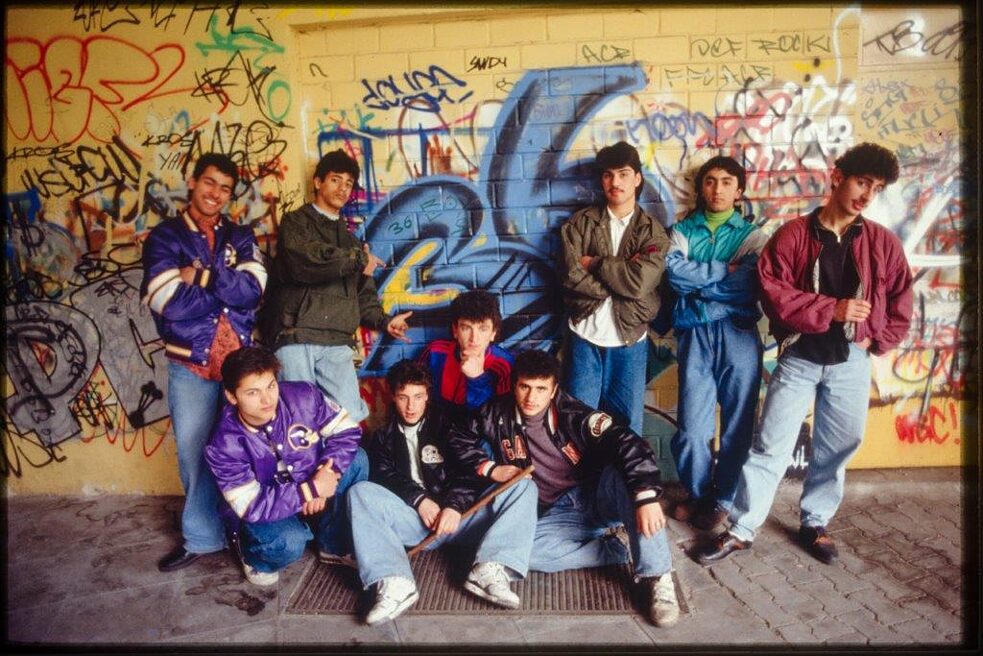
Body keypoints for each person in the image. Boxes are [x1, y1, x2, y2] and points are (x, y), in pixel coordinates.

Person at [695, 142, 913, 566]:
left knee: (838, 447)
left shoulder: (882, 243)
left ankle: (815, 522)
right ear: (837, 177)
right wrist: (832, 309)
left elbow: (902, 297)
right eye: (862, 182)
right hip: (799, 358)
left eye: (877, 188)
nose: (867, 195)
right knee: (770, 447)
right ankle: (741, 529)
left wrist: (877, 340)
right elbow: (773, 294)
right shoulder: (793, 235)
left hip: (851, 360)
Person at [448, 349, 681, 627]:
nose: (531, 397)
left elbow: (627, 442)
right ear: (514, 386)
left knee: (628, 480)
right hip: (559, 511)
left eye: (541, 389)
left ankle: (658, 576)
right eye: (524, 387)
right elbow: (457, 437)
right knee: (521, 555)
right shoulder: (495, 412)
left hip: (596, 494)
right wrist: (490, 468)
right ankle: (614, 550)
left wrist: (645, 496)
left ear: (553, 389)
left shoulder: (574, 414)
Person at [140, 152, 267, 573]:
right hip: (191, 363)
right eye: (209, 182)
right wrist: (226, 292)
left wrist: (203, 277)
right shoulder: (166, 237)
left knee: (245, 452)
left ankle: (249, 538)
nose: (216, 193)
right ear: (193, 182)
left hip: (238, 366)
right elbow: (167, 300)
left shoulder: (239, 234)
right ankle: (202, 537)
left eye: (225, 188)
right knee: (194, 452)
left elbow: (253, 290)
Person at [347, 360, 537, 624]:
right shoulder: (382, 437)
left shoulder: (448, 424)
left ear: (427, 395)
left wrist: (453, 505)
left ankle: (489, 570)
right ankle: (396, 582)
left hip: (463, 519)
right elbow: (386, 477)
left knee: (524, 485)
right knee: (359, 492)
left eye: (418, 396)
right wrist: (419, 500)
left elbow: (468, 470)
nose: (411, 406)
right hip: (417, 523)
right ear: (393, 396)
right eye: (403, 397)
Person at [266, 149, 412, 423]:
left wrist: (385, 321)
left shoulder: (353, 243)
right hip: (297, 336)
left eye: (348, 183)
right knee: (299, 421)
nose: (342, 188)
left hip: (337, 341)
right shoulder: (296, 223)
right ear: (318, 182)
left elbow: (364, 297)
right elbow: (305, 260)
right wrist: (357, 259)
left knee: (347, 419)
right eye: (335, 180)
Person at [204, 347, 368, 585]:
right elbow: (251, 505)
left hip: (307, 481)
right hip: (266, 508)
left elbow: (347, 430)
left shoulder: (303, 396)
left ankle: (331, 543)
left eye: (271, 386)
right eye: (253, 392)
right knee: (287, 543)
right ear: (232, 396)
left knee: (357, 460)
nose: (267, 399)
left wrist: (327, 472)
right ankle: (252, 557)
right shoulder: (222, 444)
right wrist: (310, 491)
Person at [665, 156, 768, 531]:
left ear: (739, 191)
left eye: (727, 182)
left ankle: (723, 498)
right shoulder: (681, 231)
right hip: (695, 334)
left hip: (738, 333)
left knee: (738, 423)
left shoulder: (753, 236)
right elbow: (675, 277)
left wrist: (700, 289)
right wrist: (726, 270)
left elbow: (749, 284)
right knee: (692, 427)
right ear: (700, 188)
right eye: (710, 181)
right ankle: (697, 494)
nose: (718, 189)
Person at [559, 141, 669, 435]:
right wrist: (621, 279)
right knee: (578, 425)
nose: (615, 182)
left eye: (623, 174)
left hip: (630, 340)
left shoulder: (652, 232)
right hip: (584, 336)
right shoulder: (580, 224)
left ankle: (622, 472)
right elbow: (570, 276)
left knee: (627, 429)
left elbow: (640, 283)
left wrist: (595, 263)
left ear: (637, 178)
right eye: (608, 175)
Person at [418, 289, 513, 415]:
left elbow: (498, 418)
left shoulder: (505, 365)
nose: (474, 338)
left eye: (483, 329)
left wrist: (477, 378)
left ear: (493, 333)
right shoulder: (435, 352)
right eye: (466, 328)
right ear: (455, 330)